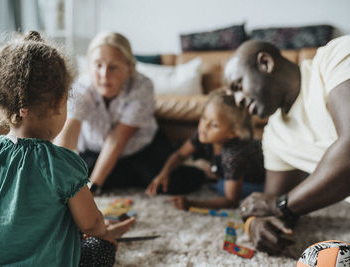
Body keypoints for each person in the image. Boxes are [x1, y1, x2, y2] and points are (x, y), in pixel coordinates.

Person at [0, 31, 135, 267]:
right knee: (100, 248)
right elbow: (91, 223)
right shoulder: (62, 163)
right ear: (57, 105)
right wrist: (104, 233)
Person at [224, 35, 350, 255]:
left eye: (238, 86)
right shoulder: (273, 137)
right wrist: (256, 223)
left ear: (266, 63)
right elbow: (271, 204)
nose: (238, 101)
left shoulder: (335, 56)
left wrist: (280, 205)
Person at [55, 31, 203, 195]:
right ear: (90, 66)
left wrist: (94, 187)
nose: (104, 75)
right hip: (95, 150)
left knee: (168, 185)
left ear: (129, 68)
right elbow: (69, 132)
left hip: (141, 149)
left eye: (113, 67)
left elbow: (117, 140)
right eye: (98, 65)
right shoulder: (81, 87)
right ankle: (124, 175)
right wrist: (56, 175)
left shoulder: (142, 86)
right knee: (76, 178)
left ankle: (201, 167)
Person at [146, 90, 265, 211]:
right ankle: (214, 172)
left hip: (259, 182)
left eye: (214, 125)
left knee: (221, 187)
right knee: (207, 171)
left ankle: (215, 174)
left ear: (233, 133)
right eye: (204, 118)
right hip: (229, 166)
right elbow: (180, 155)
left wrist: (192, 204)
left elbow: (232, 200)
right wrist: (163, 173)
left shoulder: (233, 155)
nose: (204, 127)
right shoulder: (202, 134)